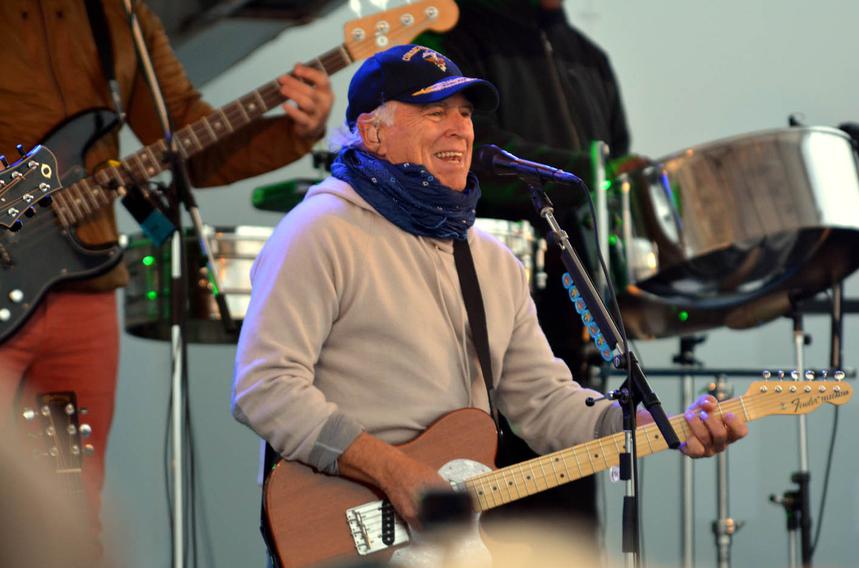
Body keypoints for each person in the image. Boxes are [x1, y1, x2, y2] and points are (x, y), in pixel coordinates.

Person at [231, 44, 746, 545]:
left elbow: (544, 404)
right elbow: (265, 388)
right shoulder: (320, 231)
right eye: (434, 112)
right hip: (339, 527)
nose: (460, 127)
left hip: (452, 541)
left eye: (464, 113)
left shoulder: (491, 260)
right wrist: (395, 472)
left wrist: (653, 426)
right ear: (373, 132)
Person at [0, 0, 333, 548]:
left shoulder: (119, 16)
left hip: (80, 287)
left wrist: (298, 130)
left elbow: (191, 141)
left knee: (71, 504)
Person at [417, 0, 632, 533]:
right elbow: (473, 154)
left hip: (568, 282)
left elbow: (614, 175)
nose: (457, 124)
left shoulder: (590, 56)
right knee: (492, 467)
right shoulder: (452, 35)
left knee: (565, 491)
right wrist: (587, 170)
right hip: (472, 280)